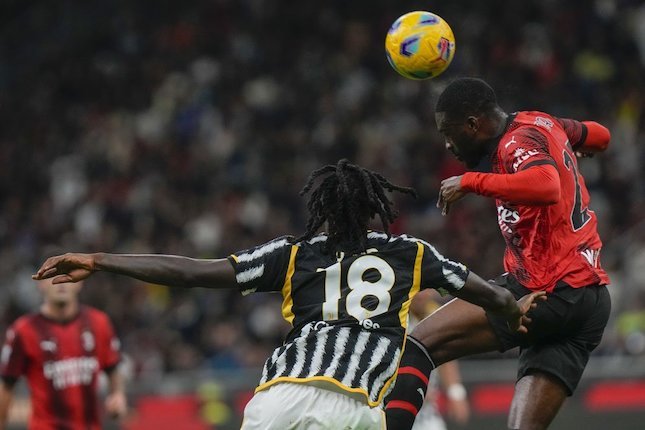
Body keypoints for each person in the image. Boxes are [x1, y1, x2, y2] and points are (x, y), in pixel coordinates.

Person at [32, 160, 544, 430]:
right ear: (374, 207)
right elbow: (482, 293)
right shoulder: (411, 253)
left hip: (276, 401)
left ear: (321, 207)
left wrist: (101, 260)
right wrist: (512, 311)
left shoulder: (293, 253)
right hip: (354, 406)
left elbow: (189, 272)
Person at [384, 77, 612, 430]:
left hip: (547, 289)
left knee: (417, 345)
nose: (447, 144)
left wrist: (470, 181)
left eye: (449, 132)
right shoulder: (543, 123)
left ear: (473, 124)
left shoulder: (515, 142)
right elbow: (600, 136)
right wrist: (567, 143)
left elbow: (547, 185)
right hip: (589, 299)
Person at [0, 272, 127, 430]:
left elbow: (113, 367)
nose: (61, 283)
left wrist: (117, 394)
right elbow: (6, 386)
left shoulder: (99, 323)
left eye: (67, 276)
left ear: (79, 282)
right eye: (53, 276)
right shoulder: (23, 330)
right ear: (40, 283)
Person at [409, 290, 469, 430]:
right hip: (392, 405)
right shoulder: (395, 319)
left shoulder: (435, 313)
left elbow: (447, 357)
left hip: (427, 411)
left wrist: (455, 392)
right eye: (419, 291)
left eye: (427, 289)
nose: (423, 295)